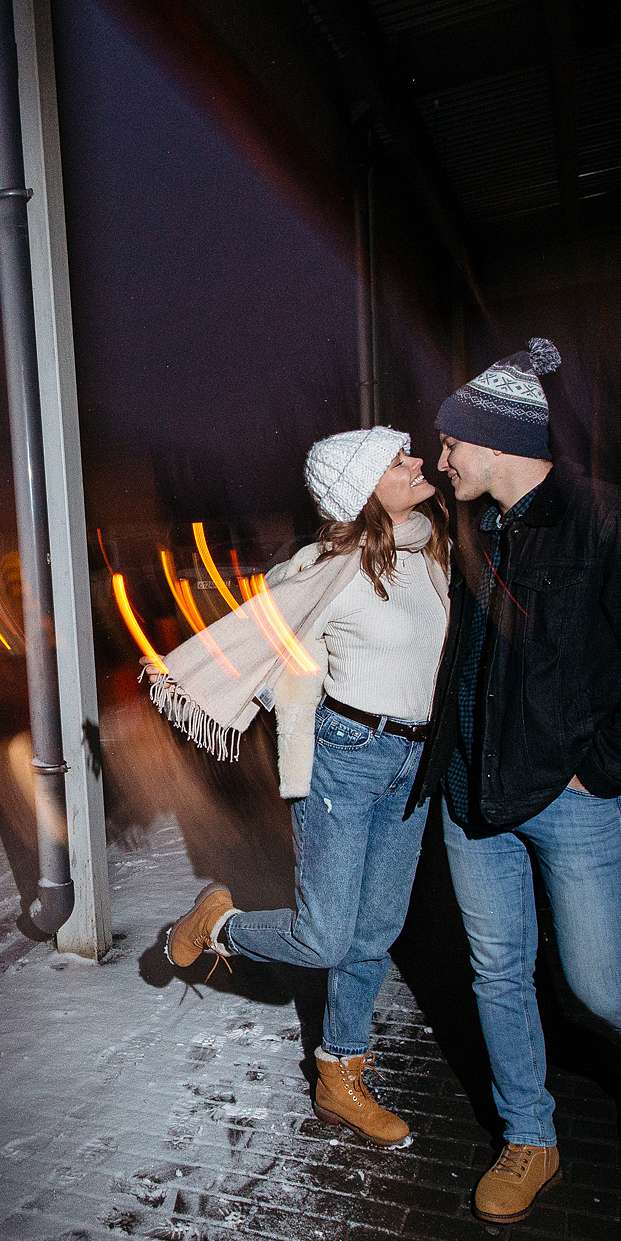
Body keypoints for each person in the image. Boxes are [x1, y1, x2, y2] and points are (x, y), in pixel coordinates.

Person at [410, 338, 621, 1222]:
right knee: (498, 973)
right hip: (473, 798)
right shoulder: (475, 529)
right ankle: (528, 1136)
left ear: (497, 440)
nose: (442, 459)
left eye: (451, 443)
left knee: (601, 986)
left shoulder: (612, 521)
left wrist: (603, 767)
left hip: (571, 800)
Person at [147, 426, 449, 1147]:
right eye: (397, 460)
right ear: (363, 490)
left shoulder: (431, 551)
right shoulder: (329, 570)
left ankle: (339, 1074)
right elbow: (264, 649)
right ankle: (218, 925)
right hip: (348, 759)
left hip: (414, 762)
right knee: (323, 936)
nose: (416, 463)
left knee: (375, 932)